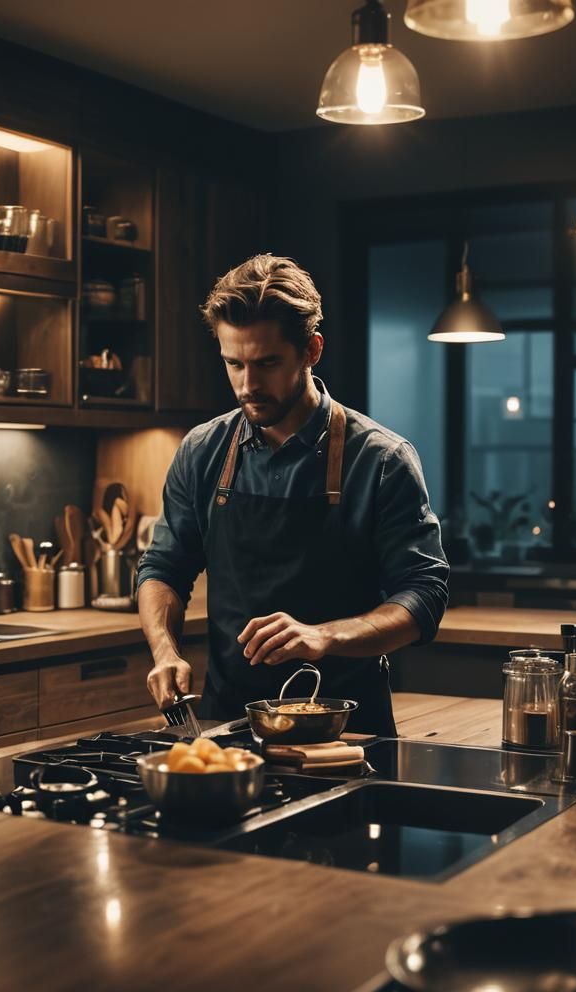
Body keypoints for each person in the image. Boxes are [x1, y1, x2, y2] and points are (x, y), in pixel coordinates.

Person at [136, 254, 449, 735]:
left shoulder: (382, 460)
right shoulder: (201, 452)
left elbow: (424, 595)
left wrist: (325, 636)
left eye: (267, 364)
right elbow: (162, 568)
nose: (247, 385)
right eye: (233, 364)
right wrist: (165, 652)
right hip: (229, 724)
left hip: (350, 730)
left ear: (311, 351)